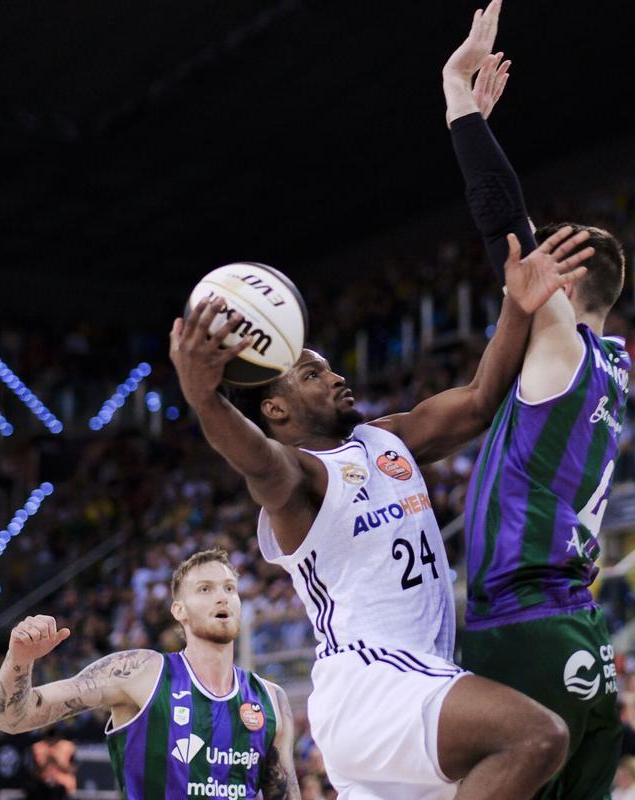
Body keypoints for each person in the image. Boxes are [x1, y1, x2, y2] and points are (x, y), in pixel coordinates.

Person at [169, 81, 592, 800]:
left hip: (417, 686)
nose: (334, 377)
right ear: (274, 409)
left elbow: (481, 401)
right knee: (538, 736)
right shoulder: (298, 480)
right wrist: (201, 395)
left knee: (524, 761)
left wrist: (516, 311)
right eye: (312, 373)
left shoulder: (384, 439)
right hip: (371, 684)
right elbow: (246, 455)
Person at [440, 4, 630, 797]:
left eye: (549, 254)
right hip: (581, 635)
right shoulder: (610, 367)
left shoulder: (564, 344)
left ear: (567, 278)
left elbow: (499, 218)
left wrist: (458, 102)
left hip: (525, 626)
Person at [0, 549, 301, 800]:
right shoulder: (140, 673)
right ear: (179, 610)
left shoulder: (271, 699)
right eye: (205, 589)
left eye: (230, 588)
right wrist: (19, 659)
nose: (222, 597)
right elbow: (13, 718)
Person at [30, 727, 77, 800]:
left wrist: (57, 763)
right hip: (44, 787)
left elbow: (73, 769)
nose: (51, 741)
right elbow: (34, 771)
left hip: (64, 786)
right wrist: (46, 763)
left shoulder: (68, 747)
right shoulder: (37, 747)